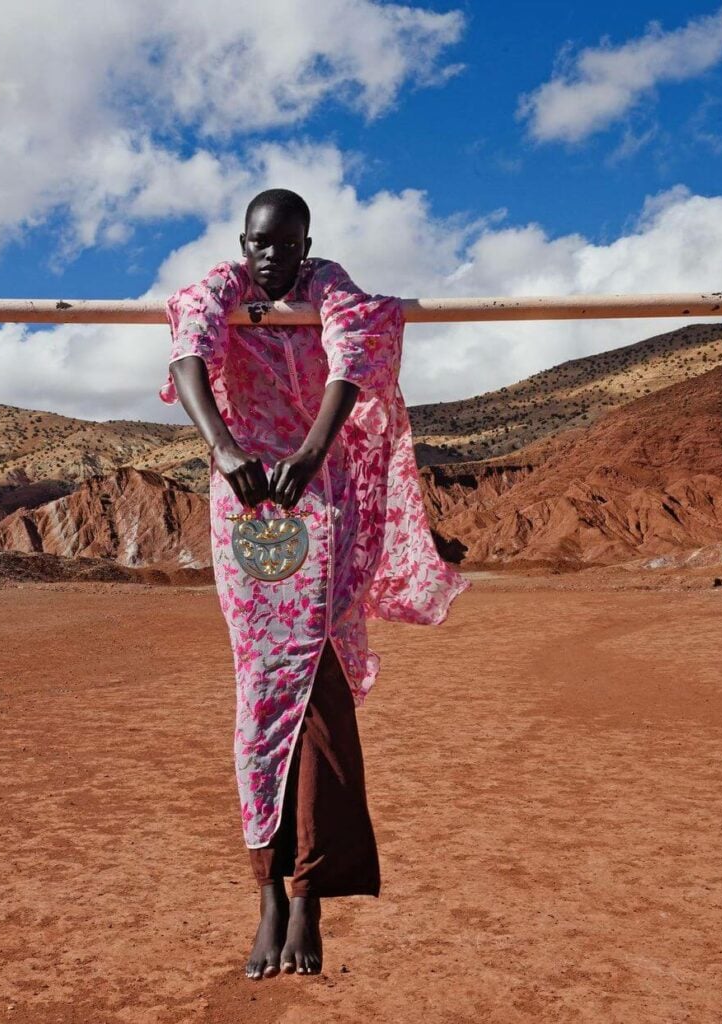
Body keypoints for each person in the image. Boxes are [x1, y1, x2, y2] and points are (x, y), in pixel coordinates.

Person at [158, 188, 470, 980]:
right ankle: (268, 889)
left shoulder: (334, 291)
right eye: (260, 244)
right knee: (263, 690)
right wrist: (227, 452)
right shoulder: (215, 292)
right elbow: (189, 350)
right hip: (246, 517)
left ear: (307, 242)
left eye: (287, 243)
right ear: (243, 242)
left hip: (321, 505)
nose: (273, 257)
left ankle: (309, 896)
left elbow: (358, 354)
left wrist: (309, 451)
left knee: (321, 693)